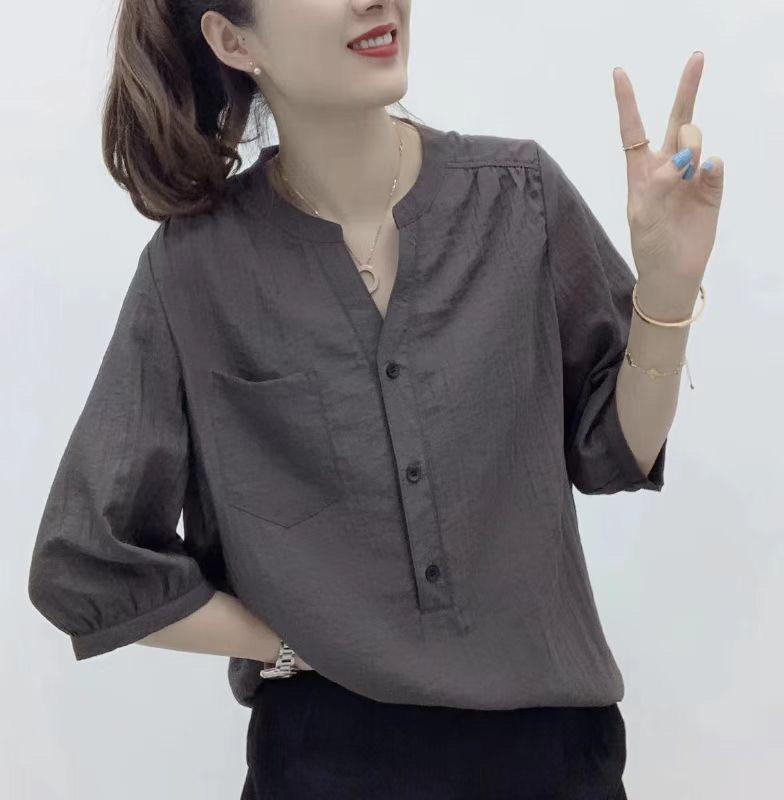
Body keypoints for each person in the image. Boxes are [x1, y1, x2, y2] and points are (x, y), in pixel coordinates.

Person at [27, 2, 708, 798]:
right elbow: (85, 560)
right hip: (325, 764)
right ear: (233, 40)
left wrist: (668, 291)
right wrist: (286, 648)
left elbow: (615, 450)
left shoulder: (517, 196)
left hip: (555, 761)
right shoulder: (194, 270)